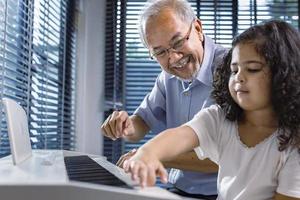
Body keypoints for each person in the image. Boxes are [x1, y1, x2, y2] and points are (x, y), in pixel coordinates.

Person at [123, 20, 300, 200]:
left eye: (252, 69)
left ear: (283, 75)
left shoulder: (294, 144)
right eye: (234, 69)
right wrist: (148, 153)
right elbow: (180, 136)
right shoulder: (219, 118)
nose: (239, 77)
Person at [101, 0, 227, 199]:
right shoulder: (167, 77)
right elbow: (141, 122)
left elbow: (226, 155)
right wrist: (125, 125)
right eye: (160, 52)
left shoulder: (234, 72)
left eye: (178, 42)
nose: (174, 58)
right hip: (180, 190)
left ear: (197, 28)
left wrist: (155, 155)